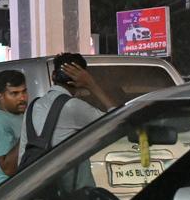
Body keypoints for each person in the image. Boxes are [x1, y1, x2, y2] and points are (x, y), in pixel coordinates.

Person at [18, 53, 119, 185]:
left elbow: (22, 155)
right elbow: (117, 119)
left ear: (53, 75)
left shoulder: (32, 107)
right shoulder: (73, 106)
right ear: (81, 78)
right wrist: (91, 84)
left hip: (38, 189)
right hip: (73, 194)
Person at [0, 69, 28, 186]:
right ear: (1, 96)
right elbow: (8, 169)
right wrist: (29, 132)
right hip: (12, 193)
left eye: (24, 91)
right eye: (14, 93)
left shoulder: (20, 115)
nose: (22, 98)